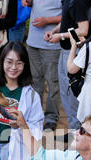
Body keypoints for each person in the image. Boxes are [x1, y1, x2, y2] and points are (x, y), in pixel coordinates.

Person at [44, 0, 91, 141]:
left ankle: (78, 139)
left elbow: (84, 30)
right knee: (67, 95)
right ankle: (74, 132)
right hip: (66, 50)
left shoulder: (78, 2)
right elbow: (68, 20)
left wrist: (60, 36)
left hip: (75, 52)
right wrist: (54, 30)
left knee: (72, 96)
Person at [23, 0, 62, 131]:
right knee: (34, 82)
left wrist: (47, 20)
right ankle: (35, 116)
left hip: (52, 44)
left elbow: (68, 16)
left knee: (53, 83)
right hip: (33, 42)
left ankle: (51, 118)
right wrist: (28, 2)